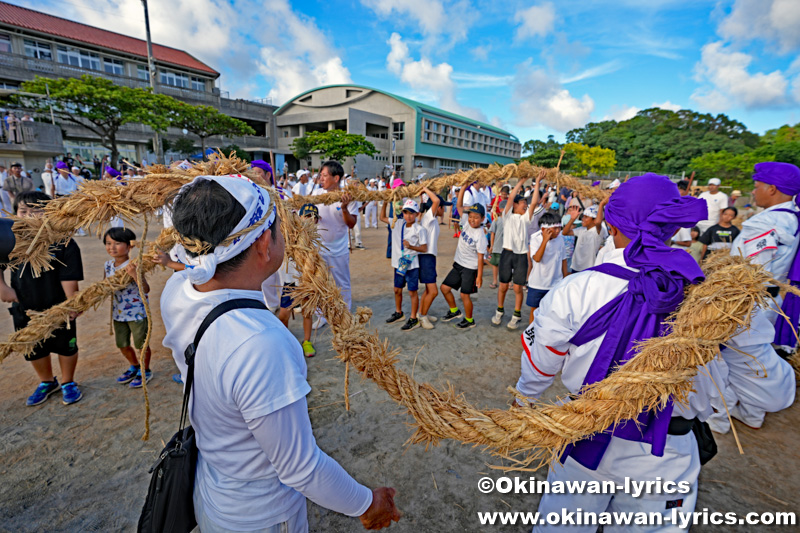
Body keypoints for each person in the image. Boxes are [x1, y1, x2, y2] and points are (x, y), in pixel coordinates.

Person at [160, 174, 401, 531]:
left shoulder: (177, 291)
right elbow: (300, 467)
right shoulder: (260, 343)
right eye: (279, 226)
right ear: (262, 245)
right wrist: (368, 502)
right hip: (260, 516)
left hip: (213, 491)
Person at [516, 174, 714, 530]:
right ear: (672, 226)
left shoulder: (576, 289)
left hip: (585, 431)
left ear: (611, 224)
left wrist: (522, 400)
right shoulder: (710, 298)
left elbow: (540, 364)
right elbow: (730, 392)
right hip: (666, 451)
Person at [706, 162, 798, 433]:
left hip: (743, 303)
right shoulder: (791, 216)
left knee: (718, 355)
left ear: (772, 189)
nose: (753, 192)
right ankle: (751, 412)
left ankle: (720, 417)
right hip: (766, 300)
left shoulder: (766, 221)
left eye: (757, 187)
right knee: (750, 357)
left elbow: (750, 270)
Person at [0, 191, 84, 406]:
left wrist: (71, 303)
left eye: (36, 210)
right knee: (33, 346)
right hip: (24, 305)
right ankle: (47, 381)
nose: (29, 216)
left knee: (66, 345)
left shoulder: (63, 241)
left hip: (58, 306)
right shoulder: (10, 238)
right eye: (23, 211)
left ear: (50, 213)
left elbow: (69, 277)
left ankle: (68, 382)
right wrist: (2, 287)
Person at [494, 172, 544, 330]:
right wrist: (521, 180)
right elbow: (510, 198)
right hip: (507, 253)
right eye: (522, 202)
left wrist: (536, 182)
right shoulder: (507, 215)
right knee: (502, 286)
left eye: (525, 203)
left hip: (521, 254)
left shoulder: (525, 218)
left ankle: (516, 314)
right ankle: (499, 311)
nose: (525, 205)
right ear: (515, 205)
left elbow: (534, 202)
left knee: (517, 287)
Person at [103, 227, 152, 387]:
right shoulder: (108, 265)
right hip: (118, 314)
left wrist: (134, 275)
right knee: (122, 344)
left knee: (141, 345)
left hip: (137, 313)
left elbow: (146, 289)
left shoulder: (135, 265)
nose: (112, 247)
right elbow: (104, 286)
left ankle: (146, 370)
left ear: (130, 246)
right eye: (108, 243)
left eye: (117, 243)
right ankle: (135, 366)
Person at [314, 161, 357, 322]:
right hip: (319, 248)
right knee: (320, 282)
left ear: (336, 178)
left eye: (324, 175)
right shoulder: (317, 195)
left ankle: (345, 312)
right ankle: (321, 315)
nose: (321, 179)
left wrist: (344, 208)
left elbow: (351, 224)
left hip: (339, 248)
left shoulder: (348, 196)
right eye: (320, 175)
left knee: (342, 283)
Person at [440, 187, 487, 329]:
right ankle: (454, 311)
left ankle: (469, 320)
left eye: (476, 217)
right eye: (471, 216)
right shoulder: (466, 222)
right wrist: (463, 188)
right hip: (458, 264)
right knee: (444, 288)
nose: (472, 219)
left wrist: (479, 277)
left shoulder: (481, 236)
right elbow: (459, 205)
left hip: (470, 269)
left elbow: (480, 258)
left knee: (464, 295)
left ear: (482, 219)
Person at [277, 204, 319, 358]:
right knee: (283, 315)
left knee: (307, 313)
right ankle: (285, 340)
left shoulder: (315, 241)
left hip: (306, 282)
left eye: (313, 217)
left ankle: (307, 341)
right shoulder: (289, 235)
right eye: (306, 216)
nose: (310, 220)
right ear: (300, 217)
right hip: (289, 282)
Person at [381, 199, 428, 330]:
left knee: (412, 292)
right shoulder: (398, 223)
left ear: (417, 214)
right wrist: (385, 202)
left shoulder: (419, 229)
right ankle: (399, 312)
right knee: (397, 289)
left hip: (411, 264)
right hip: (400, 264)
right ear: (402, 213)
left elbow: (424, 248)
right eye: (406, 212)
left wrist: (411, 246)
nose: (408, 216)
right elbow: (382, 217)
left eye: (412, 213)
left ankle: (413, 318)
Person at [526, 212, 567, 324]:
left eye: (559, 227)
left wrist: (565, 279)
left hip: (555, 283)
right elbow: (537, 258)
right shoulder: (535, 239)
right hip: (537, 283)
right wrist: (544, 240)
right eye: (555, 228)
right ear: (544, 229)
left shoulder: (560, 239)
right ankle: (533, 337)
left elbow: (563, 259)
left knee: (551, 313)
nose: (558, 231)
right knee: (535, 311)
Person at [417, 189, 449, 329]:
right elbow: (435, 201)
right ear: (438, 207)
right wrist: (425, 189)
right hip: (426, 258)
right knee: (433, 291)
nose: (445, 209)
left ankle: (422, 313)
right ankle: (423, 317)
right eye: (444, 206)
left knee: (427, 290)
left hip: (429, 257)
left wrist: (423, 195)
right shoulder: (429, 217)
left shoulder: (432, 219)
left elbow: (431, 201)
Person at [563, 204, 607, 273]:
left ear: (594, 220)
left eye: (586, 217)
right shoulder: (581, 229)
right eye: (583, 216)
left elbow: (599, 222)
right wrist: (572, 219)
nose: (582, 219)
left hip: (588, 268)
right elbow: (565, 232)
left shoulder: (598, 231)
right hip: (575, 266)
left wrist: (601, 204)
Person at [487, 200, 505, 289]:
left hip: (507, 247)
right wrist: (492, 246)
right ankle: (495, 280)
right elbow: (492, 233)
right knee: (495, 264)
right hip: (497, 247)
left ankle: (506, 282)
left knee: (505, 265)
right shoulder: (497, 220)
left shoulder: (511, 220)